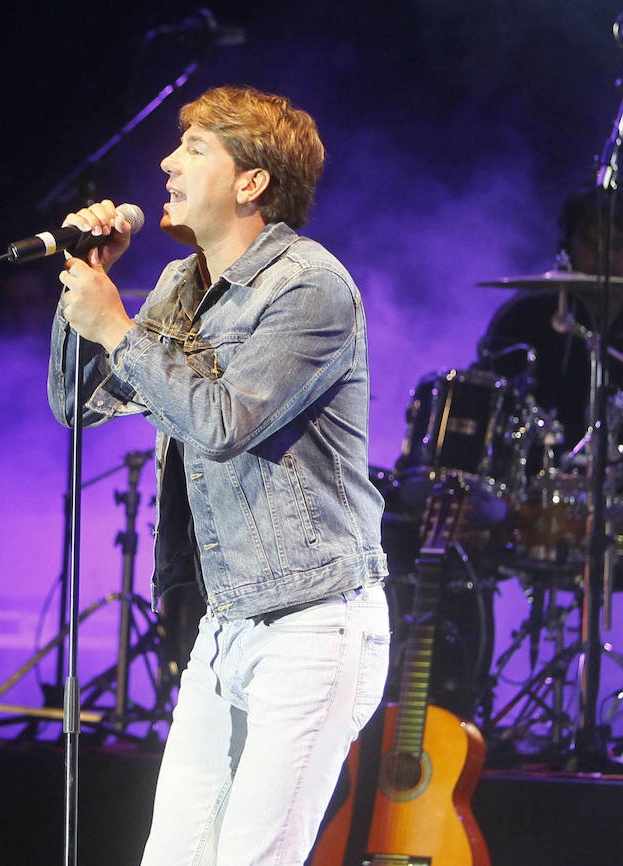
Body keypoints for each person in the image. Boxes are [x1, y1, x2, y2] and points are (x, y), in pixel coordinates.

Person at [48, 85, 390, 865]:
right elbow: (80, 405)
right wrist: (87, 287)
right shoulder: (179, 283)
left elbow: (224, 422)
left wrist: (118, 328)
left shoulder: (310, 287)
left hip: (313, 620)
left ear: (251, 182)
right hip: (227, 618)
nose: (168, 161)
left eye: (195, 147)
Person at [478, 183, 623, 735]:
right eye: (591, 243)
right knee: (458, 526)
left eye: (617, 243)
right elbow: (487, 398)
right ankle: (465, 708)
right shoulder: (525, 316)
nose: (604, 256)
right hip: (532, 493)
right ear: (570, 248)